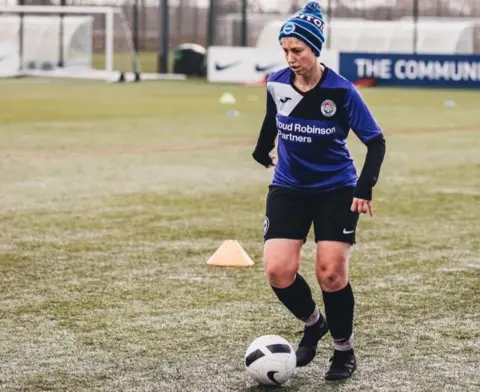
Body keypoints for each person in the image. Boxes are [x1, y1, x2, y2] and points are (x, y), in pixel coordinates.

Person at [252, 1, 386, 381]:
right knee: (278, 271)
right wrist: (262, 151)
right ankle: (314, 323)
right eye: (286, 51)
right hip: (289, 188)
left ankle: (343, 351)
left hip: (336, 190)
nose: (290, 58)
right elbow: (271, 117)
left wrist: (365, 188)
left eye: (298, 50)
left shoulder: (342, 92)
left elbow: (375, 142)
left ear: (315, 49)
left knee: (331, 275)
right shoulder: (277, 82)